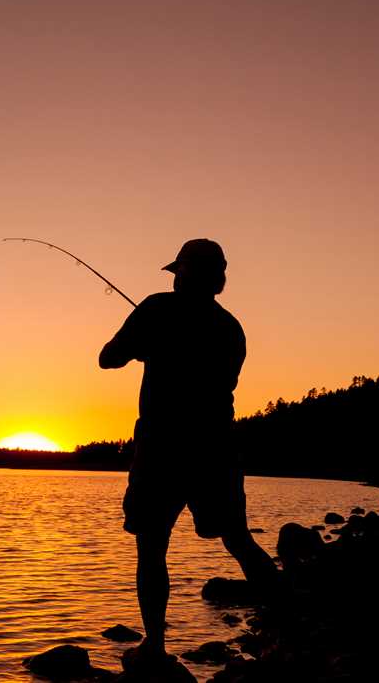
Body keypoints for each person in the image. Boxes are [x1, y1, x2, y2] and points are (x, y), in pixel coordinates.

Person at [99, 238, 279, 668]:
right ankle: (287, 622)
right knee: (238, 539)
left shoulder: (156, 308)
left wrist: (145, 346)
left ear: (183, 273)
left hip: (162, 446)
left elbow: (108, 359)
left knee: (152, 546)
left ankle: (155, 645)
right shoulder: (232, 327)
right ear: (218, 279)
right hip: (217, 445)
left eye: (177, 272)